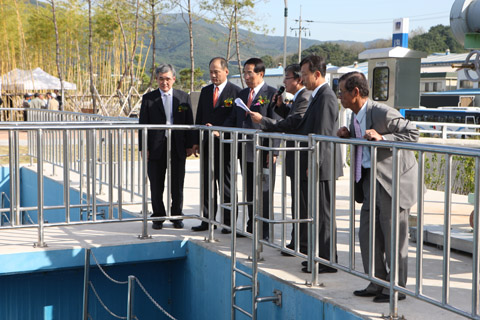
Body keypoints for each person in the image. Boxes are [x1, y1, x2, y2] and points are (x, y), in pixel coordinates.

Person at [336, 71, 419, 303]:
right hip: (369, 178)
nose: (339, 96)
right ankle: (377, 282)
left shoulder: (382, 112)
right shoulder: (354, 115)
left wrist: (384, 139)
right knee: (368, 233)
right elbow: (365, 139)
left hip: (393, 181)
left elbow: (413, 133)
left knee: (394, 235)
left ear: (355, 92)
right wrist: (348, 135)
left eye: (342, 92)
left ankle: (396, 287)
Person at [249, 63, 311, 254]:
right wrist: (281, 107)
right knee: (297, 202)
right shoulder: (298, 97)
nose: (284, 81)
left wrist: (263, 121)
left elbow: (294, 123)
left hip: (304, 157)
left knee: (304, 203)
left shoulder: (305, 97)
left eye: (287, 77)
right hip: (295, 158)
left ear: (298, 79)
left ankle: (302, 243)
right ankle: (296, 241)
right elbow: (292, 120)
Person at [292, 55, 343, 274]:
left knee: (324, 214)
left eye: (304, 75)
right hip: (319, 162)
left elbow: (322, 134)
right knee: (319, 212)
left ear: (317, 74)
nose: (302, 79)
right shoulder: (317, 95)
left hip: (323, 164)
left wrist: (314, 162)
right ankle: (321, 256)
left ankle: (327, 260)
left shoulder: (326, 96)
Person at [223, 57, 280, 239]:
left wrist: (274, 151)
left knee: (263, 191)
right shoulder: (241, 95)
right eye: (244, 72)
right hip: (244, 149)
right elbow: (233, 119)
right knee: (249, 189)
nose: (246, 76)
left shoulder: (272, 94)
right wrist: (219, 130)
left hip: (263, 150)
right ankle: (250, 225)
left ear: (260, 74)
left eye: (250, 72)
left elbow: (277, 124)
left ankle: (264, 230)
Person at [139, 64, 194, 230]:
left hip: (178, 145)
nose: (164, 82)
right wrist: (143, 147)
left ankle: (176, 216)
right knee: (156, 183)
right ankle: (158, 216)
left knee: (177, 183)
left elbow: (189, 121)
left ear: (174, 79)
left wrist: (191, 144)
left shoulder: (183, 97)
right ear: (156, 79)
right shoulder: (149, 98)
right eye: (161, 79)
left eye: (168, 79)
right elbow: (143, 124)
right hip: (156, 146)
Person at [191, 57, 241, 233]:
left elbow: (236, 118)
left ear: (226, 71)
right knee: (207, 182)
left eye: (216, 72)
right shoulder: (205, 91)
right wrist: (196, 141)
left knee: (226, 183)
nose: (213, 75)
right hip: (207, 143)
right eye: (211, 71)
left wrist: (222, 130)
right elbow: (200, 116)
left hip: (225, 144)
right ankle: (207, 219)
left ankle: (228, 222)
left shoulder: (236, 92)